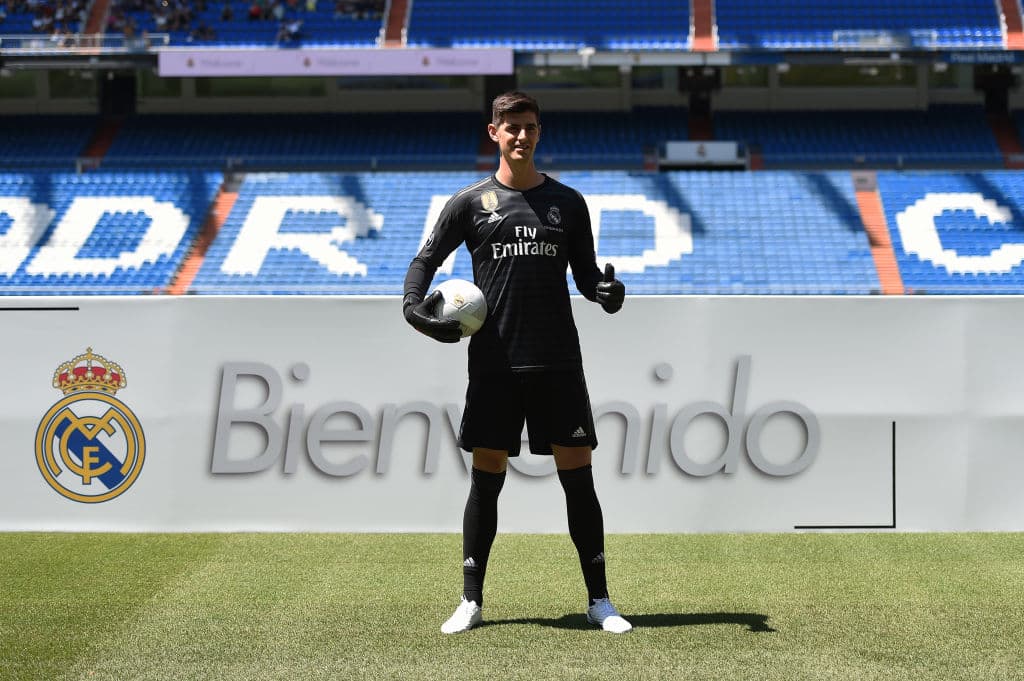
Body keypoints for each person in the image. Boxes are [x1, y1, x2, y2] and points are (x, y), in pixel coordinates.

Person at [402, 91, 630, 634]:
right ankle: (471, 600)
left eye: (530, 127)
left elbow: (586, 274)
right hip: (495, 365)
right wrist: (414, 309)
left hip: (557, 362)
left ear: (538, 131)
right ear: (494, 133)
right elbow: (425, 260)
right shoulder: (468, 203)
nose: (522, 136)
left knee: (579, 480)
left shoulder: (569, 203)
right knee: (486, 480)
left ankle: (599, 601)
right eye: (512, 128)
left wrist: (604, 290)